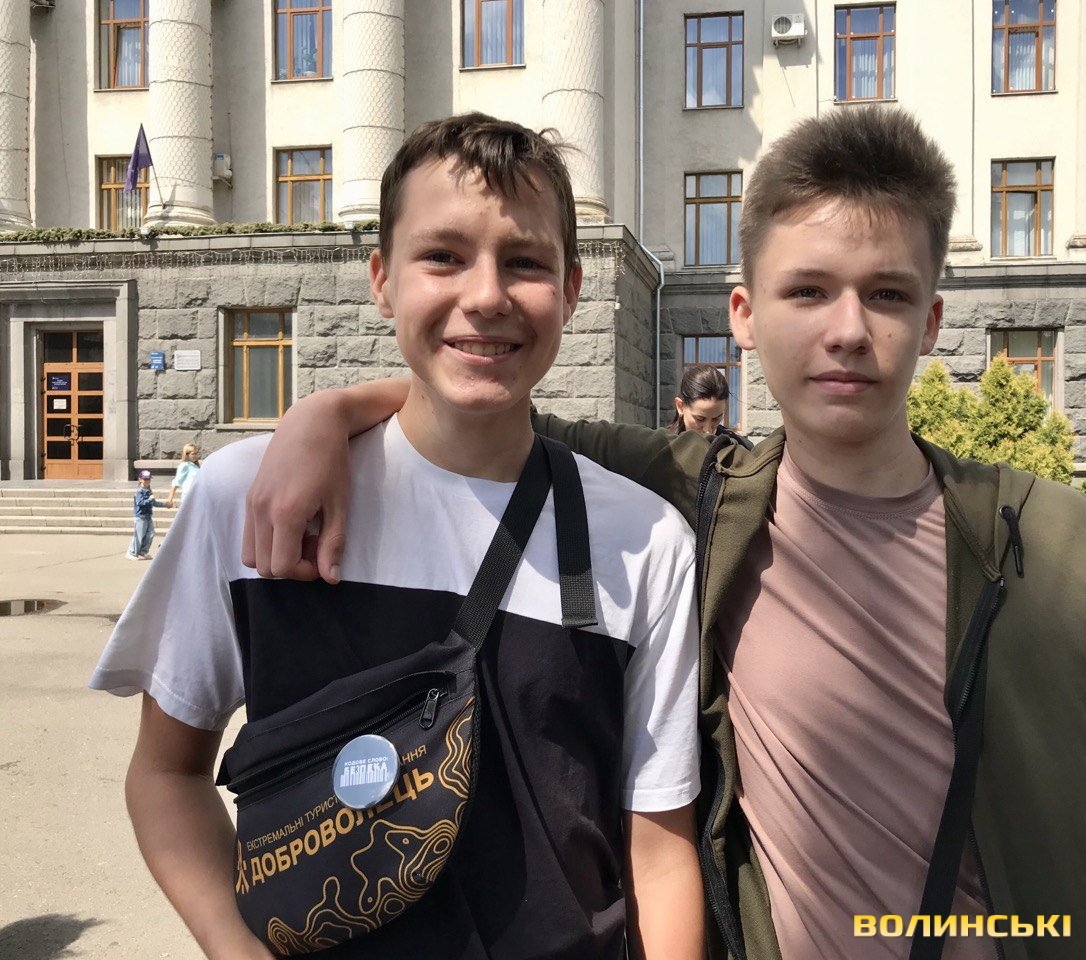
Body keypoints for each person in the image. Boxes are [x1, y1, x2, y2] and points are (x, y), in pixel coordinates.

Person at [240, 107, 1086, 960]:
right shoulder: (695, 496)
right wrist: (324, 415)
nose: (848, 330)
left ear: (933, 319)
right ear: (744, 315)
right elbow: (484, 401)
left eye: (888, 294)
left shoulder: (1051, 537)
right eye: (807, 291)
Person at [90, 113, 704, 960]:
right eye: (443, 256)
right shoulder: (254, 501)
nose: (486, 295)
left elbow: (659, 847)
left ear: (571, 290)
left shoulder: (645, 540)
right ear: (382, 280)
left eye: (525, 262)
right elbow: (166, 772)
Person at [669, 363, 753, 449]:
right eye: (700, 419)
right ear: (680, 406)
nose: (708, 431)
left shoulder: (740, 448)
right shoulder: (664, 447)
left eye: (716, 419)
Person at [125, 469, 155, 560]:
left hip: (148, 516)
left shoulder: (149, 490)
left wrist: (165, 505)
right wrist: (149, 499)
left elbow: (153, 502)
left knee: (150, 534)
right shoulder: (139, 491)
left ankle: (143, 551)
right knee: (139, 536)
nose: (147, 481)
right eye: (145, 479)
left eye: (148, 479)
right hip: (140, 517)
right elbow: (140, 503)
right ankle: (131, 553)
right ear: (140, 480)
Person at [165, 442, 201, 508]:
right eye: (193, 454)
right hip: (189, 497)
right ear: (187, 455)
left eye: (196, 453)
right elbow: (176, 482)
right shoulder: (184, 465)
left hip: (198, 496)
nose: (196, 455)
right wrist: (169, 500)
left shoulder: (196, 466)